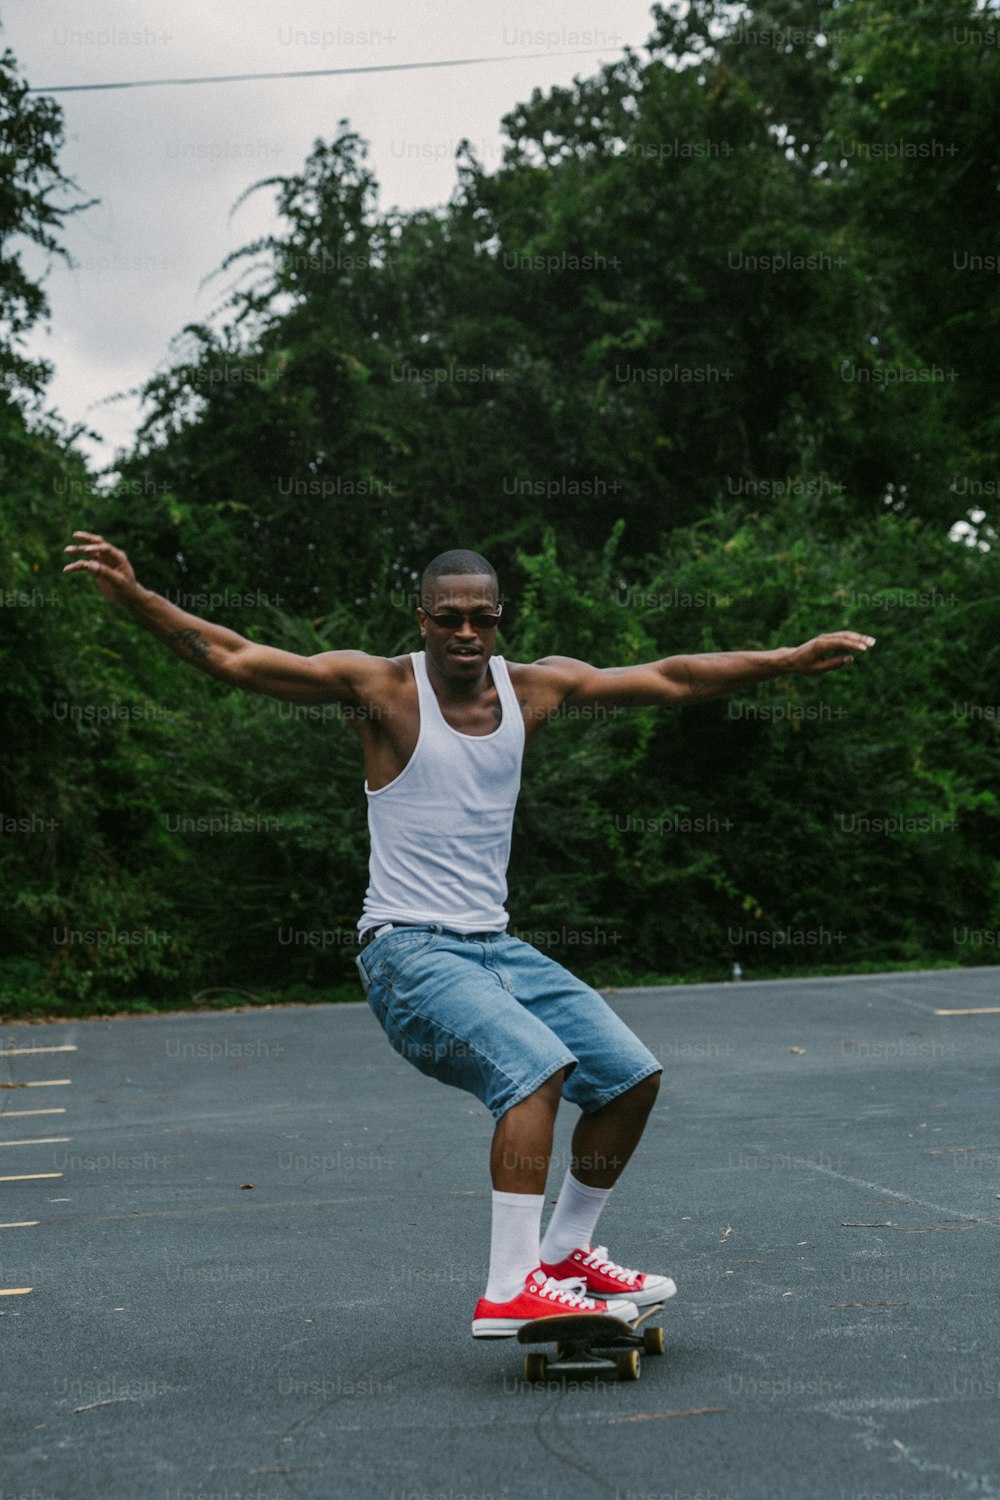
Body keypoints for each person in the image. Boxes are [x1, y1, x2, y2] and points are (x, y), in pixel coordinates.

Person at [64, 532, 875, 1337]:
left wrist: (784, 659)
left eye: (480, 619)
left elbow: (671, 676)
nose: (465, 634)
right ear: (421, 620)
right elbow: (236, 657)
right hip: (408, 953)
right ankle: (509, 1287)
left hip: (497, 950)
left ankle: (563, 1255)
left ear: (498, 620)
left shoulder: (533, 691)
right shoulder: (378, 689)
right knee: (536, 1071)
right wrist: (136, 599)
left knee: (629, 1078)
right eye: (448, 618)